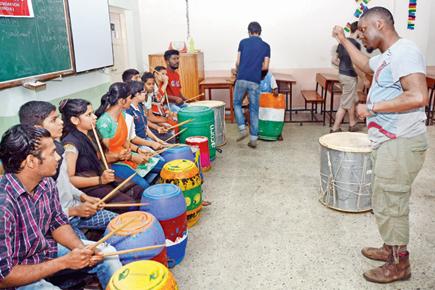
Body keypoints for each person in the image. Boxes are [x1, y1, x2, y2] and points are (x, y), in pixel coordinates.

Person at [332, 6, 428, 283]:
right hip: (390, 142)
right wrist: (343, 40)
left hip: (401, 143)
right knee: (384, 198)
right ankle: (390, 249)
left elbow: (418, 95)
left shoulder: (405, 51)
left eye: (363, 30)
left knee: (392, 203)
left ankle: (399, 264)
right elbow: (364, 64)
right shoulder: (388, 57)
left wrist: (373, 107)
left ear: (379, 24)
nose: (361, 35)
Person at [0, 125, 121, 289]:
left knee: (108, 255)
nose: (58, 157)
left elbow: (57, 222)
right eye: (51, 153)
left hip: (44, 251)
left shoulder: (46, 183)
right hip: (18, 273)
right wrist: (63, 262)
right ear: (31, 161)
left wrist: (81, 249)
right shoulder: (4, 204)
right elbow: (4, 276)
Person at [18, 101, 118, 236]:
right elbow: (38, 214)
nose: (61, 122)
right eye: (54, 120)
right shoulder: (33, 165)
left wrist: (84, 196)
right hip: (59, 222)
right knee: (86, 251)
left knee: (118, 222)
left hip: (76, 207)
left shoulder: (58, 148)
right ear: (37, 128)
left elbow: (66, 182)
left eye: (59, 117)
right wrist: (73, 211)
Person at [60, 98, 144, 213]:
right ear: (75, 120)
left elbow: (98, 157)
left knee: (139, 191)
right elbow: (69, 180)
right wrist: (100, 180)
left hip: (103, 177)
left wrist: (119, 156)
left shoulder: (91, 133)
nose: (94, 117)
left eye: (93, 113)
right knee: (130, 205)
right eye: (89, 114)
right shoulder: (70, 145)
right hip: (89, 187)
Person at [95, 82, 157, 190]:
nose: (131, 100)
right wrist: (132, 157)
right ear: (121, 101)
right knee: (145, 186)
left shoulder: (122, 115)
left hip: (126, 154)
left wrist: (138, 150)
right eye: (129, 98)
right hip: (113, 163)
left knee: (159, 165)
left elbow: (124, 141)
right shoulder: (104, 123)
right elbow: (107, 154)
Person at [233, 21, 270, 148]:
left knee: (237, 103)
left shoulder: (243, 42)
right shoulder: (266, 46)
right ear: (260, 32)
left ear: (249, 32)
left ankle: (242, 128)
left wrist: (241, 69)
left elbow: (237, 62)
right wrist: (255, 70)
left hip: (242, 78)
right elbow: (265, 67)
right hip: (255, 81)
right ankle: (253, 139)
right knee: (254, 109)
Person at [331, 21, 361, 133]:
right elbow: (356, 63)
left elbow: (334, 60)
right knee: (345, 103)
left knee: (350, 99)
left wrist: (343, 67)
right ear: (357, 30)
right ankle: (335, 127)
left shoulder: (342, 43)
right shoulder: (356, 44)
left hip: (342, 75)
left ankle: (352, 123)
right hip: (350, 76)